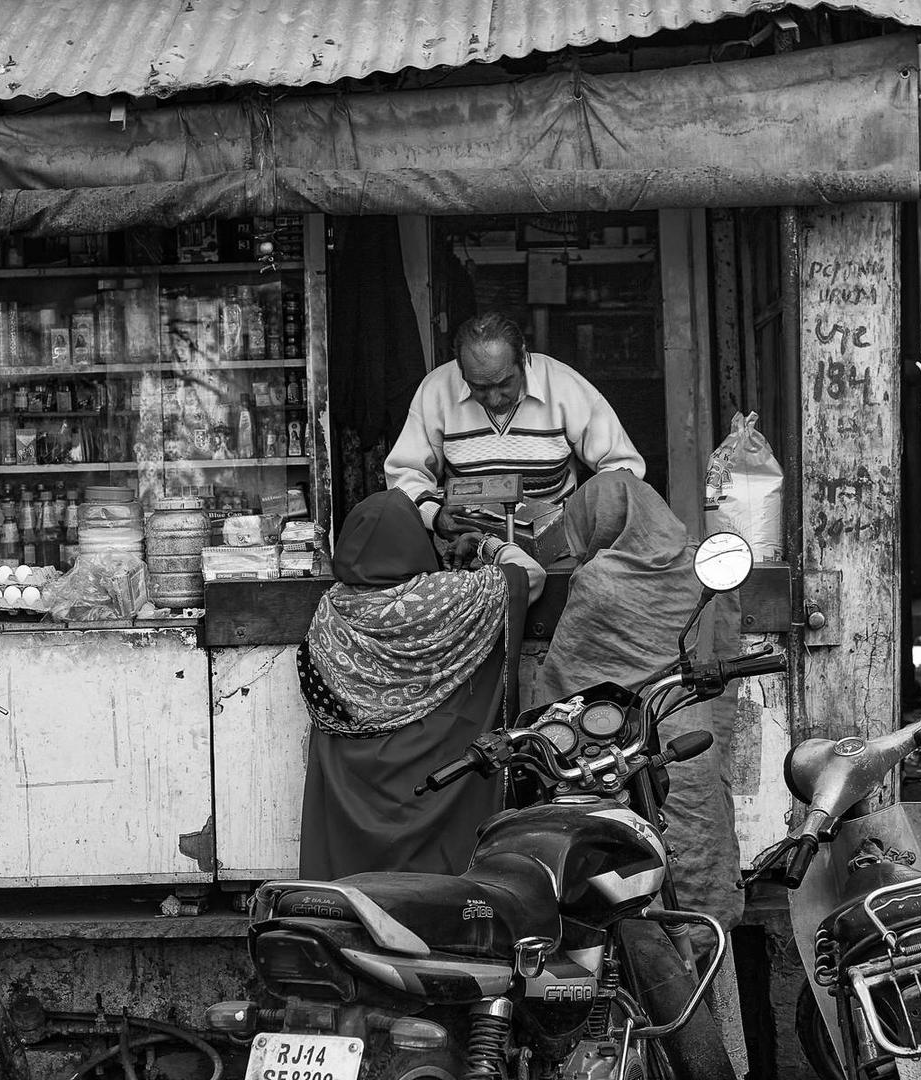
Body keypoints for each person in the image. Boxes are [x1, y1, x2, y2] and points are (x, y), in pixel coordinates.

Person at [532, 470, 745, 1078]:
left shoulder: (597, 583)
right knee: (697, 885)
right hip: (692, 759)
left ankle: (626, 1041)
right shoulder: (702, 568)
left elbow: (560, 690)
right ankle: (719, 1047)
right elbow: (721, 656)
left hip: (625, 768)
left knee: (627, 894)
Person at [297, 488, 546, 879]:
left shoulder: (330, 609)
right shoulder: (446, 597)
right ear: (411, 540)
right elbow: (529, 576)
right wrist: (486, 546)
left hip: (354, 804)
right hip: (439, 781)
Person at [385, 311, 645, 539]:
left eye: (504, 383)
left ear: (522, 358)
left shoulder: (565, 385)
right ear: (461, 369)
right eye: (480, 388)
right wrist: (435, 514)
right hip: (468, 551)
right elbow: (405, 473)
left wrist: (584, 519)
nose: (495, 398)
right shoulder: (436, 390)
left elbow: (622, 467)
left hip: (558, 548)